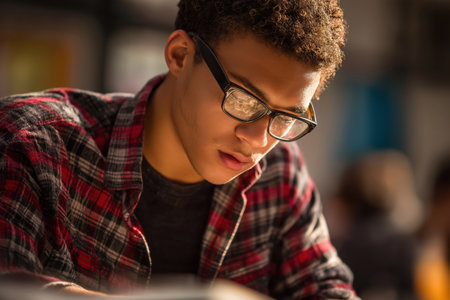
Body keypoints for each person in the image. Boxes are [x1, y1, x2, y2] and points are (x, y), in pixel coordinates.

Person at [0, 0, 356, 299]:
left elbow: (327, 288)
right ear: (180, 55)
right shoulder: (33, 143)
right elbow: (11, 286)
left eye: (287, 117)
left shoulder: (280, 170)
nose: (259, 139)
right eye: (245, 100)